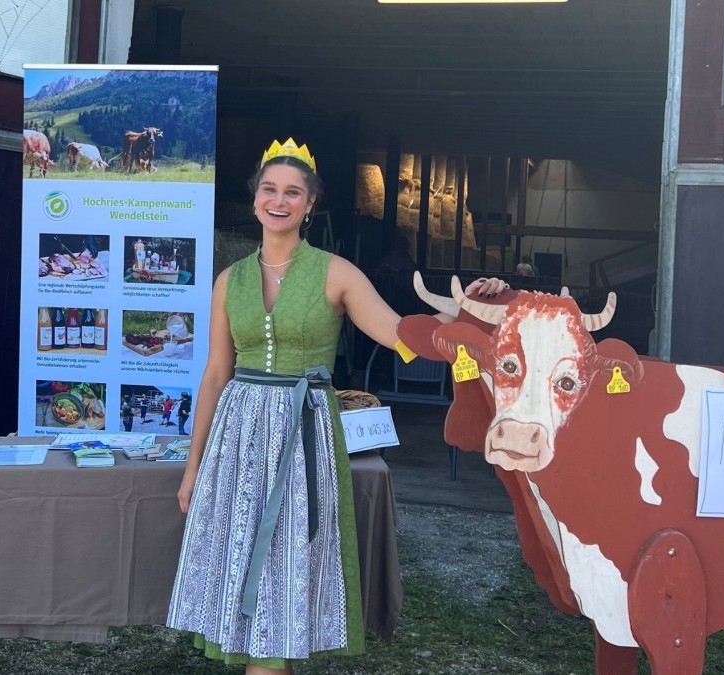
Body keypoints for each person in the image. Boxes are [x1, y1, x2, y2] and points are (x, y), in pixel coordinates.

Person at [166, 138, 507, 674]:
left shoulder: (336, 272)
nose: (279, 201)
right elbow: (214, 374)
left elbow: (399, 334)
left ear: (310, 204)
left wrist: (472, 315)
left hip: (304, 435)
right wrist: (193, 470)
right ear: (255, 196)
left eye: (293, 193)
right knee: (244, 571)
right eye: (270, 189)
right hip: (239, 438)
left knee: (286, 569)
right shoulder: (228, 281)